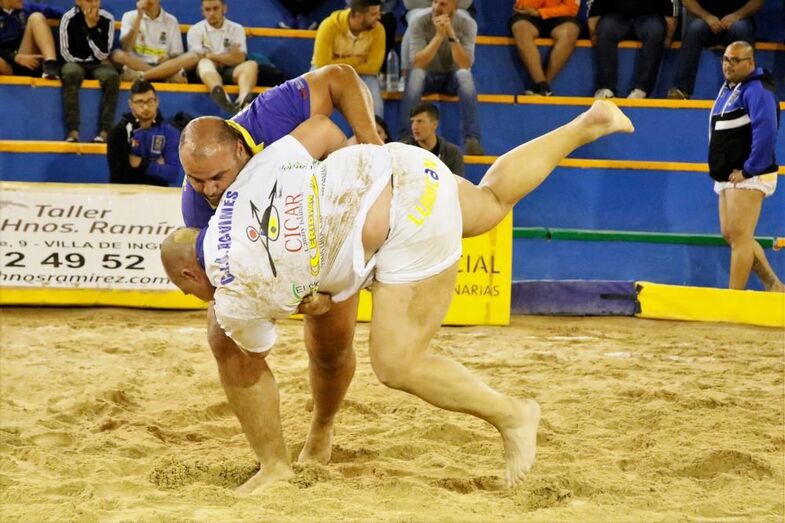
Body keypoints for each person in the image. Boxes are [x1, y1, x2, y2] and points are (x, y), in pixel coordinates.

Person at [162, 100, 635, 491]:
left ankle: (514, 415)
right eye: (197, 181)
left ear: (191, 270)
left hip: (405, 221)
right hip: (397, 163)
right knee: (489, 203)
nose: (199, 297)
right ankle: (585, 124)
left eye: (190, 288)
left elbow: (249, 354)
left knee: (396, 363)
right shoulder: (255, 170)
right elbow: (324, 130)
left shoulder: (235, 290)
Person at [177, 64, 382, 493]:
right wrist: (286, 299)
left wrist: (372, 144)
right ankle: (272, 463)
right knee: (221, 334)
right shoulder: (197, 208)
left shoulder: (265, 117)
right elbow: (223, 293)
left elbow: (341, 77)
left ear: (239, 149)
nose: (209, 189)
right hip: (265, 263)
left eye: (216, 177)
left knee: (330, 348)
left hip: (331, 231)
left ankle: (321, 429)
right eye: (196, 180)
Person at [709, 41, 783, 292]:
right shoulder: (731, 88)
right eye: (726, 59)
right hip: (729, 174)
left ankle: (734, 300)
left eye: (735, 60)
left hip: (747, 174)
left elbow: (767, 131)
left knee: (740, 238)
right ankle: (773, 285)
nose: (728, 65)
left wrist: (750, 169)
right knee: (732, 234)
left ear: (750, 63)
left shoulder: (757, 90)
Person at [399, 0, 484, 155]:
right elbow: (418, 62)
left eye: (443, 3)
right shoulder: (419, 21)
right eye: (435, 2)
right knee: (416, 75)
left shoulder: (467, 24)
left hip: (452, 78)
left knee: (465, 76)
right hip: (427, 76)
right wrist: (438, 37)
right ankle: (406, 138)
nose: (437, 7)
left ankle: (472, 140)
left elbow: (464, 64)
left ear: (455, 6)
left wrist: (451, 36)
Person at [667, 0, 763, 100]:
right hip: (707, 22)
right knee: (695, 29)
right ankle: (681, 89)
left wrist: (737, 16)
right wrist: (707, 16)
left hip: (738, 20)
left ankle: (749, 88)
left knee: (741, 29)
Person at [587, 0, 677, 99]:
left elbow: (670, 7)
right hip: (616, 17)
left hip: (649, 18)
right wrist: (593, 32)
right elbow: (595, 6)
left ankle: (641, 89)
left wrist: (669, 36)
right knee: (605, 29)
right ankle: (606, 88)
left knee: (655, 31)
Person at [59, 0, 119, 144]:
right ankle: (73, 131)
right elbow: (65, 52)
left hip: (98, 64)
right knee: (71, 73)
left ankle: (104, 132)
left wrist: (92, 28)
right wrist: (84, 60)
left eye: (96, 0)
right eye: (88, 0)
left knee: (112, 77)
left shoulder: (107, 19)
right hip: (74, 62)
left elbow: (104, 54)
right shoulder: (68, 18)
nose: (93, 4)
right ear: (78, 1)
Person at [312, 0, 385, 117]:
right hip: (327, 73)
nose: (379, 17)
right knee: (315, 97)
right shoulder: (329, 26)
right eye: (373, 14)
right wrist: (358, 59)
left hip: (362, 74)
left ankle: (375, 132)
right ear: (359, 16)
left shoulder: (378, 30)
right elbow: (323, 64)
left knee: (374, 99)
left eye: (378, 12)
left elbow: (373, 67)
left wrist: (338, 60)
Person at [107, 79, 184, 187]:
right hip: (125, 196)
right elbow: (119, 175)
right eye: (139, 102)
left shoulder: (170, 132)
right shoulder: (119, 132)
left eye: (150, 101)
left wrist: (141, 163)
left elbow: (172, 174)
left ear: (157, 101)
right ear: (131, 104)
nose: (146, 107)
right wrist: (157, 165)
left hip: (158, 197)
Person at [187, 0, 258, 115]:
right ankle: (222, 96)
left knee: (251, 65)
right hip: (207, 73)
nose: (211, 13)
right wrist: (228, 56)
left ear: (224, 8)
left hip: (231, 70)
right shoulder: (195, 30)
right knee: (204, 63)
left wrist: (212, 55)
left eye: (215, 8)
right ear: (202, 11)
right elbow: (198, 58)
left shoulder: (236, 29)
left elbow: (239, 58)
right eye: (207, 9)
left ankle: (243, 100)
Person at [111, 0, 199, 84]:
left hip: (163, 65)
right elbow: (126, 46)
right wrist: (139, 17)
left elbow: (176, 55)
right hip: (136, 64)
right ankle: (163, 77)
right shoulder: (129, 16)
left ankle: (141, 76)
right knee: (117, 55)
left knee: (193, 57)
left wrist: (168, 58)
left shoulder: (171, 20)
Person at [509, 0, 581, 96]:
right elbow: (524, 6)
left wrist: (541, 12)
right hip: (528, 16)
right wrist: (536, 12)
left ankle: (543, 87)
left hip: (559, 16)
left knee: (571, 31)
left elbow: (571, 9)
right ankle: (541, 84)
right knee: (520, 28)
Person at [0, 0, 61, 79]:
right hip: (6, 64)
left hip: (26, 55)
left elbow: (62, 14)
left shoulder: (26, 7)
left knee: (36, 17)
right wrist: (14, 57)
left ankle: (51, 65)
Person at [402, 102, 464, 175]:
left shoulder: (452, 154)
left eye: (420, 121)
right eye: (412, 122)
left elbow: (457, 184)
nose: (414, 127)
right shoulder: (404, 151)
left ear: (434, 124)